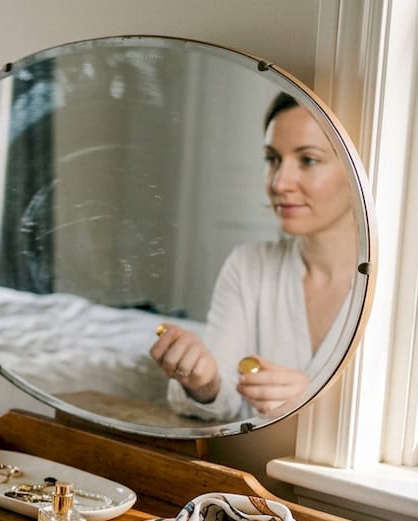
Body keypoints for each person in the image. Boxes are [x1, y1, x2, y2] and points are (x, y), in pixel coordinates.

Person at [150, 91, 358, 422]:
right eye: (273, 159)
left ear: (357, 169)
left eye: (308, 160)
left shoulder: (403, 288)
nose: (279, 182)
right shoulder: (249, 267)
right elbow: (224, 400)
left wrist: (318, 404)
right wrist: (204, 382)